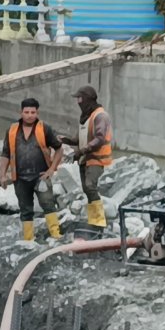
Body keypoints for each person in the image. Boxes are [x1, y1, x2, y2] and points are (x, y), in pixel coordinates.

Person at [0, 97, 64, 241]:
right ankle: (28, 239)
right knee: (25, 209)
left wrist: (52, 169)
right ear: (21, 112)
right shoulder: (12, 130)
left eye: (33, 112)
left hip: (41, 176)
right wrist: (2, 174)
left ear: (37, 113)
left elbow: (59, 149)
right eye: (26, 112)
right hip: (20, 178)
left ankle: (56, 235)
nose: (29, 115)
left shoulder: (44, 128)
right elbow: (6, 153)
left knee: (48, 203)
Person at [59, 85, 112, 228]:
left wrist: (82, 151)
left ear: (88, 99)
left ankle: (99, 221)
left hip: (97, 158)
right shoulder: (85, 118)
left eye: (80, 98)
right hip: (85, 159)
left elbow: (99, 138)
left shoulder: (100, 115)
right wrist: (66, 140)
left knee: (90, 186)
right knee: (86, 189)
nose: (78, 102)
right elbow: (78, 139)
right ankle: (93, 219)